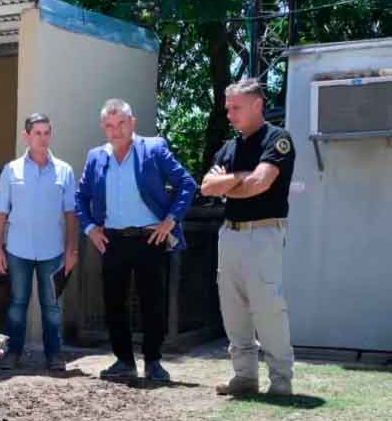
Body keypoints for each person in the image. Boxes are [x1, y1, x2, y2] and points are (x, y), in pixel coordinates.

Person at [75, 99, 196, 382]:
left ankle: (153, 362)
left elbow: (186, 183)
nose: (116, 131)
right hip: (112, 240)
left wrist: (170, 220)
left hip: (149, 238)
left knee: (153, 303)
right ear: (103, 128)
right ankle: (124, 361)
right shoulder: (95, 157)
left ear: (132, 123)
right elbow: (80, 198)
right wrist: (90, 228)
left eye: (121, 124)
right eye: (109, 126)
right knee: (113, 303)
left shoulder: (153, 149)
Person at [200, 77, 296, 396]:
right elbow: (206, 187)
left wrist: (231, 182)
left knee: (268, 307)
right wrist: (241, 178)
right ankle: (245, 376)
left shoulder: (277, 139)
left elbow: (260, 183)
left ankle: (280, 379)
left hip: (264, 232)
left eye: (236, 108)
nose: (229, 115)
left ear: (257, 105)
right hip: (230, 235)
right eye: (227, 109)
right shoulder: (229, 147)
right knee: (233, 307)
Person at [0, 113, 78, 371]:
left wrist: (71, 248)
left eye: (47, 132)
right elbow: (0, 211)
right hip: (18, 249)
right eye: (37, 133)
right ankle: (13, 353)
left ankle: (54, 355)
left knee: (51, 307)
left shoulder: (65, 170)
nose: (43, 138)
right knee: (17, 304)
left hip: (53, 251)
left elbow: (71, 213)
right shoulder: (11, 170)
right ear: (26, 136)